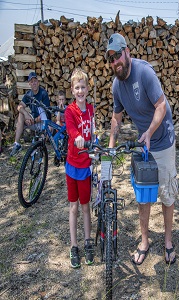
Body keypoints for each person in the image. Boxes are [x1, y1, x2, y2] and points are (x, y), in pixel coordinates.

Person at [106, 33, 178, 265]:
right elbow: (116, 119)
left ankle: (168, 240)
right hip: (143, 144)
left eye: (117, 55)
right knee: (143, 196)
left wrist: (149, 131)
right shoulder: (117, 85)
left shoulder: (144, 72)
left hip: (163, 141)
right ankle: (145, 240)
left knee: (167, 194)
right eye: (110, 59)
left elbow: (161, 105)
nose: (115, 62)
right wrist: (110, 150)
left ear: (126, 52)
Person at [64, 68, 95, 268]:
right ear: (73, 91)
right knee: (74, 206)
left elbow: (92, 129)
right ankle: (74, 245)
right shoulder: (70, 111)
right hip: (72, 166)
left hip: (86, 166)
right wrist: (77, 138)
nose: (80, 90)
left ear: (87, 89)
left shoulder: (91, 109)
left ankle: (87, 241)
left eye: (83, 87)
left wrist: (95, 139)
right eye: (77, 87)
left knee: (86, 206)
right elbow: (72, 129)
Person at [10, 72, 50, 156]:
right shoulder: (28, 94)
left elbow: (45, 113)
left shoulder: (43, 93)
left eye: (35, 81)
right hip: (33, 120)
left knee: (43, 139)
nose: (34, 83)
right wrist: (26, 114)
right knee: (21, 114)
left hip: (43, 122)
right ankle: (16, 144)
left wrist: (33, 120)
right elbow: (19, 107)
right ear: (29, 84)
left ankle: (38, 146)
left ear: (38, 82)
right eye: (31, 82)